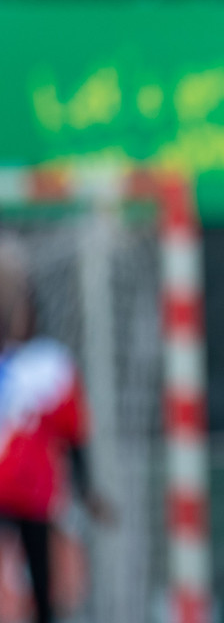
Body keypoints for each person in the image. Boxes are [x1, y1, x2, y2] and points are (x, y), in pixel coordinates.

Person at [0, 237, 112, 623]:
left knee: (44, 583)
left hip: (32, 495)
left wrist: (87, 488)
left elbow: (74, 435)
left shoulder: (49, 367)